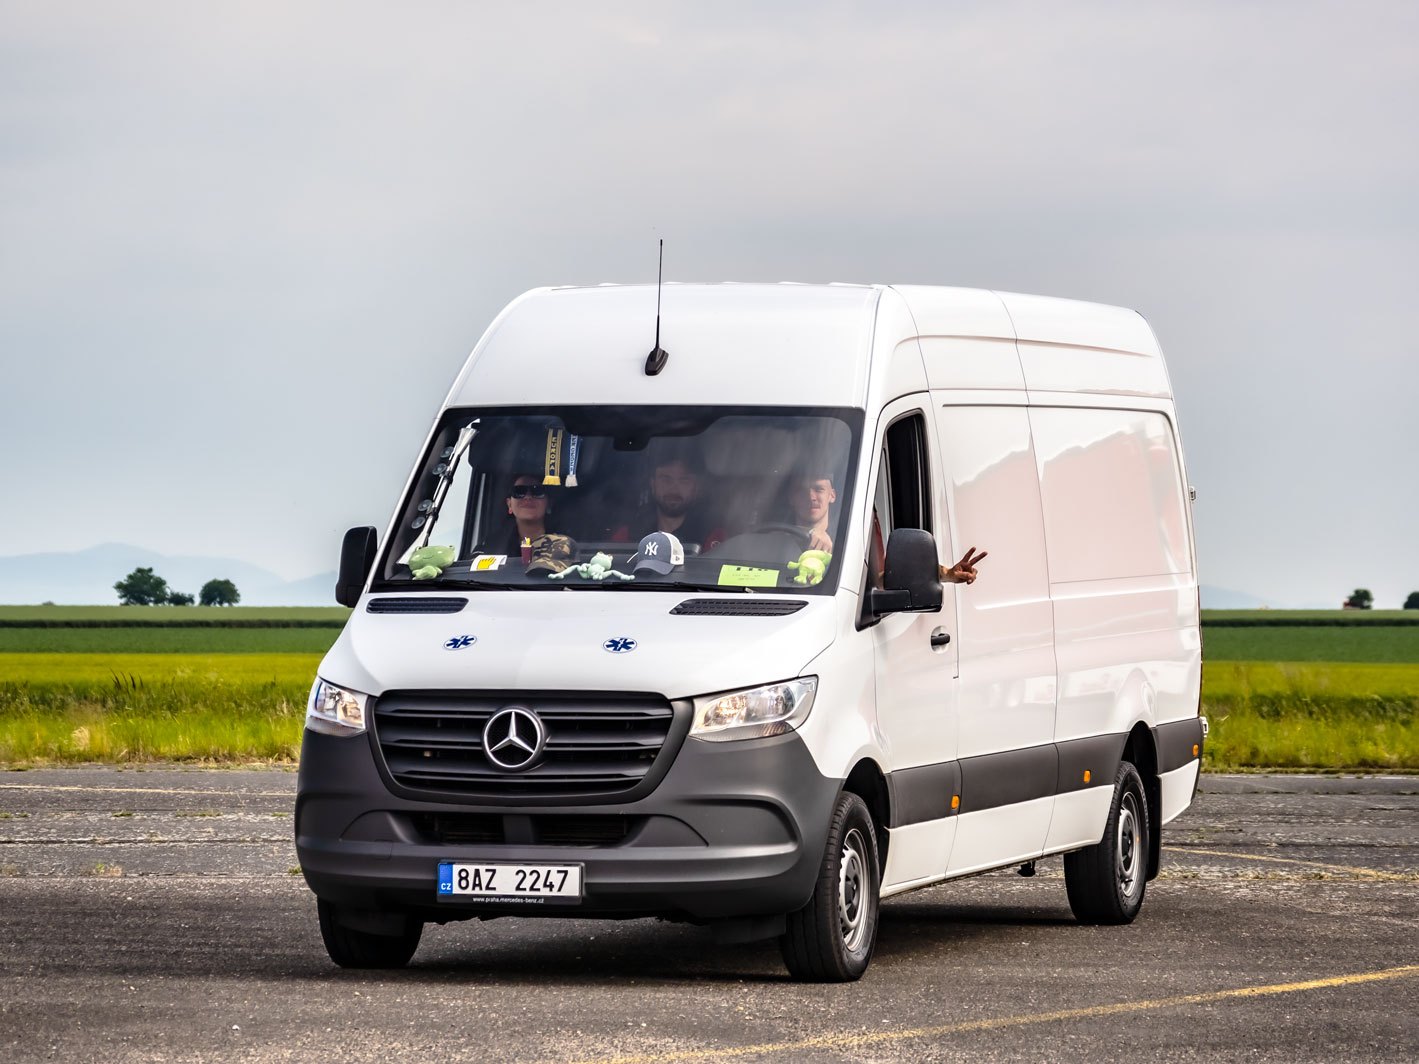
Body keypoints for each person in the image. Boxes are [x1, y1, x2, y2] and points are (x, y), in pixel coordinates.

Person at [612, 454, 726, 552]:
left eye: (684, 480)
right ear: (653, 484)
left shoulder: (710, 534)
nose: (674, 488)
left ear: (696, 488)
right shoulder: (629, 533)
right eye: (665, 479)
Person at [503, 473, 555, 556]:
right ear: (509, 505)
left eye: (537, 491)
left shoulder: (565, 546)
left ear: (549, 504)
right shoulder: (492, 548)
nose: (528, 497)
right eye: (519, 491)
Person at [790, 471, 838, 553]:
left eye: (819, 489)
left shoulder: (847, 542)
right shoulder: (774, 540)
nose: (811, 497)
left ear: (832, 495)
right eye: (802, 490)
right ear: (791, 498)